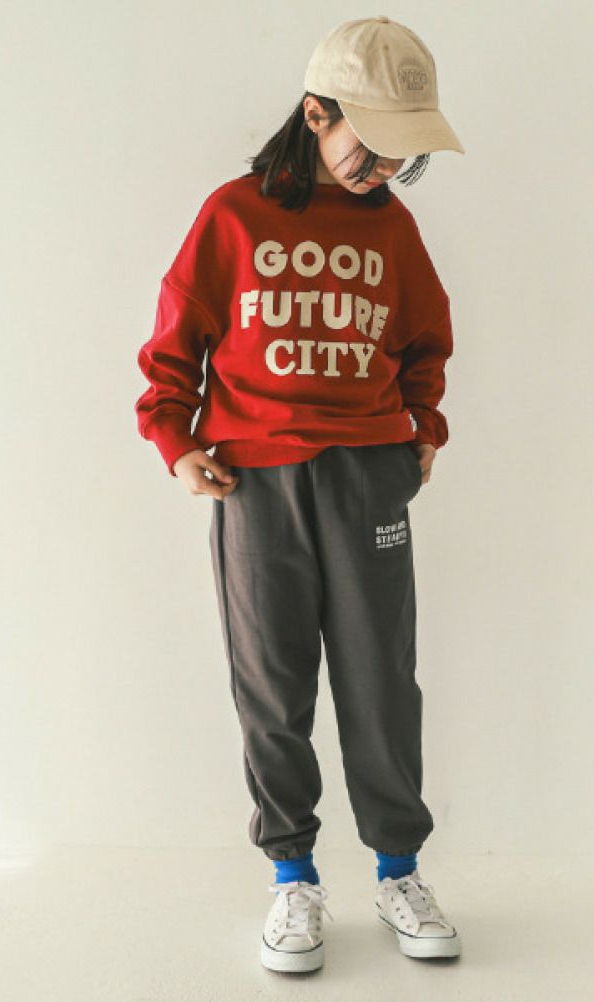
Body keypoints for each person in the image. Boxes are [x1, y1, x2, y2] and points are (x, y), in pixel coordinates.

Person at [135, 15, 465, 973]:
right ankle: (293, 878)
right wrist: (174, 438)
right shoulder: (234, 216)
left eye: (405, 153)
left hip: (368, 474)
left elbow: (425, 340)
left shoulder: (390, 228)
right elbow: (176, 339)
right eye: (375, 143)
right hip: (256, 481)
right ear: (316, 113)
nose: (388, 168)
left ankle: (399, 871)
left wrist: (423, 427)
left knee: (380, 678)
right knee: (273, 681)